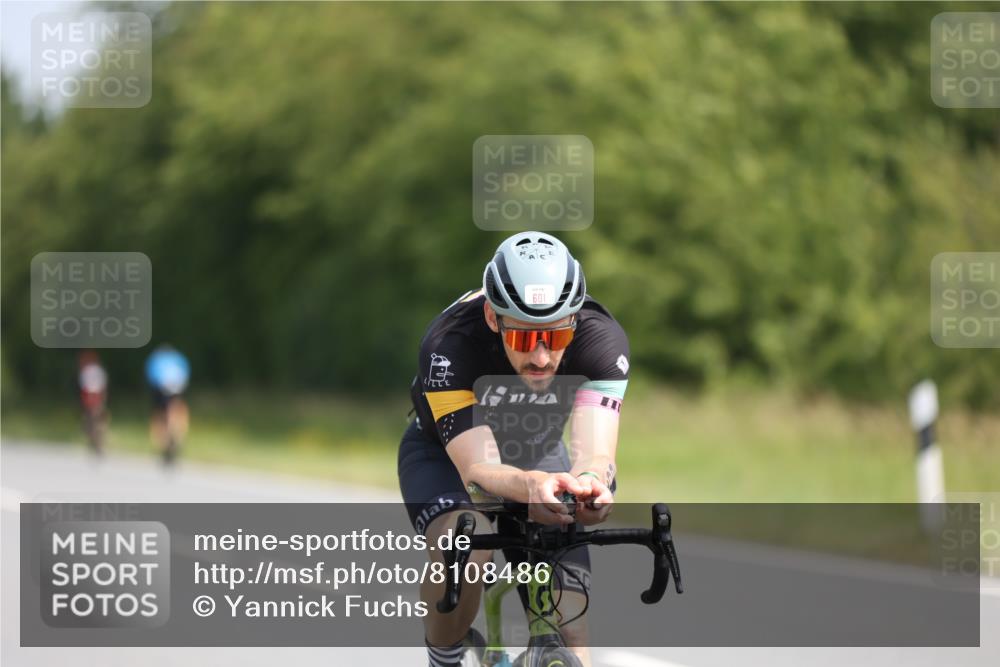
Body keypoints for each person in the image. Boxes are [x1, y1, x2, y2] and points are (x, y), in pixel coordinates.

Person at [399, 231, 630, 667]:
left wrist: (591, 485)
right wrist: (529, 486)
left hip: (540, 456)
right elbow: (478, 469)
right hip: (445, 458)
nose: (542, 357)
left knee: (569, 625)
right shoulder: (448, 345)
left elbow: (595, 453)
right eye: (525, 340)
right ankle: (443, 657)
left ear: (576, 322)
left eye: (556, 338)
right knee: (466, 544)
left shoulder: (603, 341)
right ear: (493, 317)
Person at [145, 344, 190, 465]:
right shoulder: (178, 358)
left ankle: (164, 438)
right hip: (177, 389)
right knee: (177, 409)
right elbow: (185, 372)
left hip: (161, 390)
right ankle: (177, 432)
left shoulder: (157, 359)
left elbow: (151, 376)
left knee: (159, 414)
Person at [77, 349, 109, 456]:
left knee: (97, 422)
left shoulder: (92, 371)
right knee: (91, 422)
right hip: (91, 398)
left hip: (95, 398)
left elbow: (101, 386)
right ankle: (94, 442)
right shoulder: (89, 371)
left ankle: (97, 443)